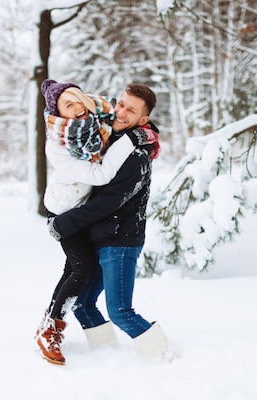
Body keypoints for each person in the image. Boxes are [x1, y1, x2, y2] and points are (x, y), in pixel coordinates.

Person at [47, 84, 171, 361]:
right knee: (82, 304)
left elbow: (109, 202)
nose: (122, 111)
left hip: (121, 241)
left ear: (143, 120)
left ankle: (164, 354)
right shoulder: (109, 137)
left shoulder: (136, 155)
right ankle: (106, 355)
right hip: (101, 237)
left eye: (131, 110)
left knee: (119, 311)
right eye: (122, 104)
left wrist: (66, 223)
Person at [35, 79, 136, 365]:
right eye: (68, 105)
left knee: (74, 268)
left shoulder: (100, 117)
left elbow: (126, 115)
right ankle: (51, 329)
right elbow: (100, 175)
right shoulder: (57, 144)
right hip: (64, 211)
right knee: (82, 268)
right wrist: (129, 142)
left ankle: (47, 325)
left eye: (78, 99)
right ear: (59, 114)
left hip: (85, 207)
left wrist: (142, 129)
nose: (77, 106)